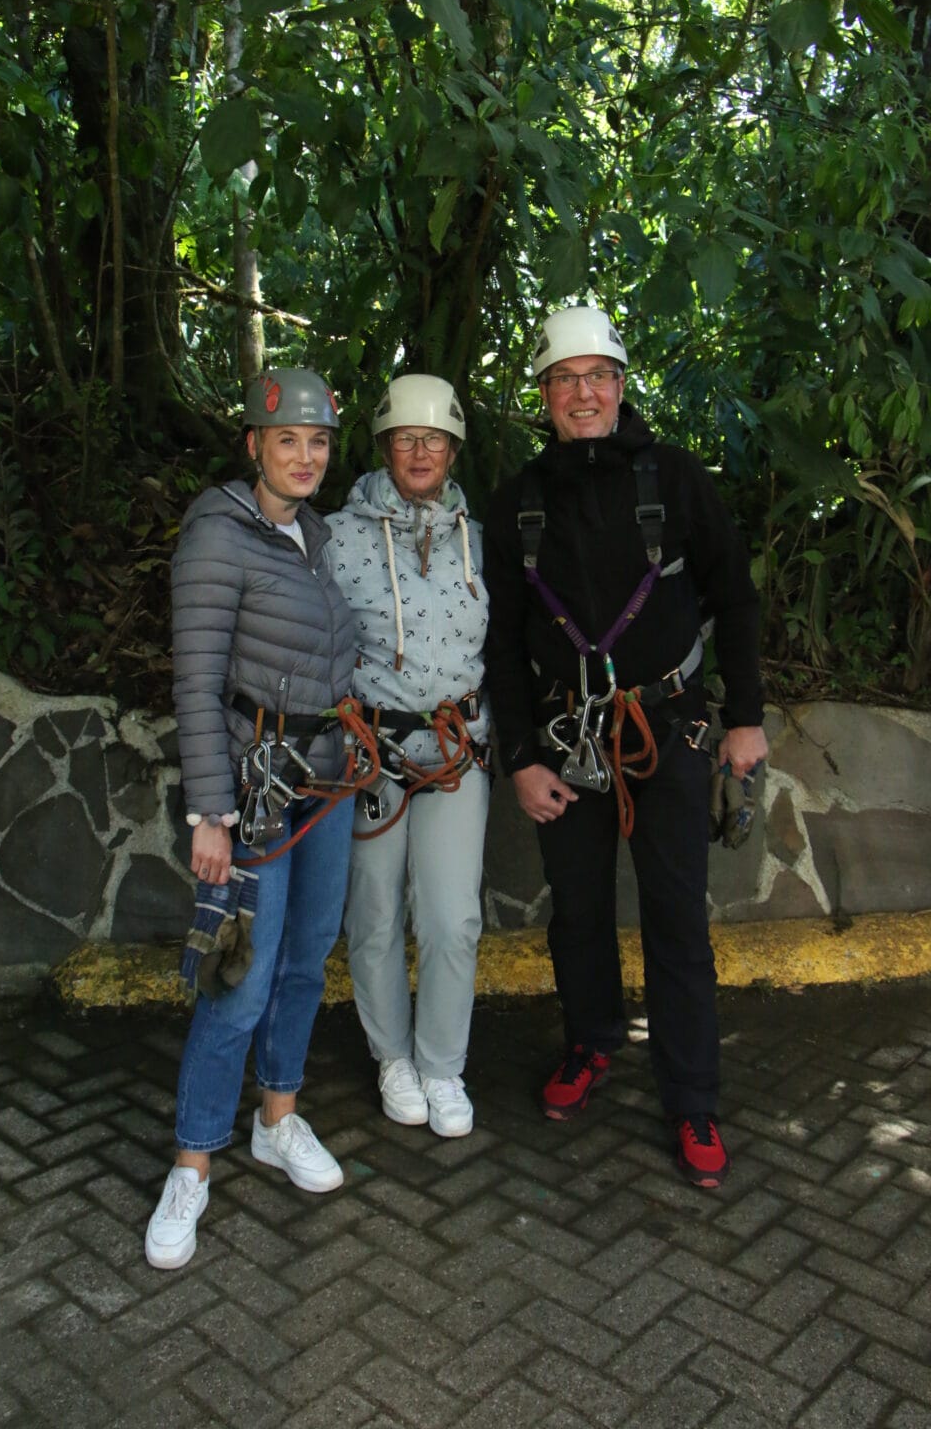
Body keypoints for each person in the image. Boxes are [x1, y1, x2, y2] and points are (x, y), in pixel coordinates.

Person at [482, 307, 767, 1188]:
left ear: (620, 386)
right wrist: (521, 757)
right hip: (566, 741)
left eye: (597, 377)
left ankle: (692, 1096)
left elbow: (736, 596)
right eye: (565, 380)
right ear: (543, 394)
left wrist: (746, 719)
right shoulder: (520, 498)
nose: (583, 394)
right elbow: (500, 641)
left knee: (678, 919)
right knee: (577, 911)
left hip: (670, 733)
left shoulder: (675, 480)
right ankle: (593, 1040)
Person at [145, 367, 358, 1270]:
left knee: (305, 963)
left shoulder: (310, 532)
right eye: (288, 442)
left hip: (327, 783)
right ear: (254, 447)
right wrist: (210, 813)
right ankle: (191, 1165)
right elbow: (196, 683)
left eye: (317, 443)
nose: (305, 457)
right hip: (254, 791)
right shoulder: (218, 535)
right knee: (239, 978)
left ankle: (277, 1116)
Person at [327, 375, 491, 1137]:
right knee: (374, 912)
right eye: (406, 438)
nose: (420, 451)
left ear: (453, 450)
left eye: (435, 440)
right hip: (373, 751)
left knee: (453, 918)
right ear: (386, 446)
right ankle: (392, 1056)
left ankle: (441, 1066)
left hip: (457, 748)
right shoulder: (335, 535)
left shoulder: (476, 536)